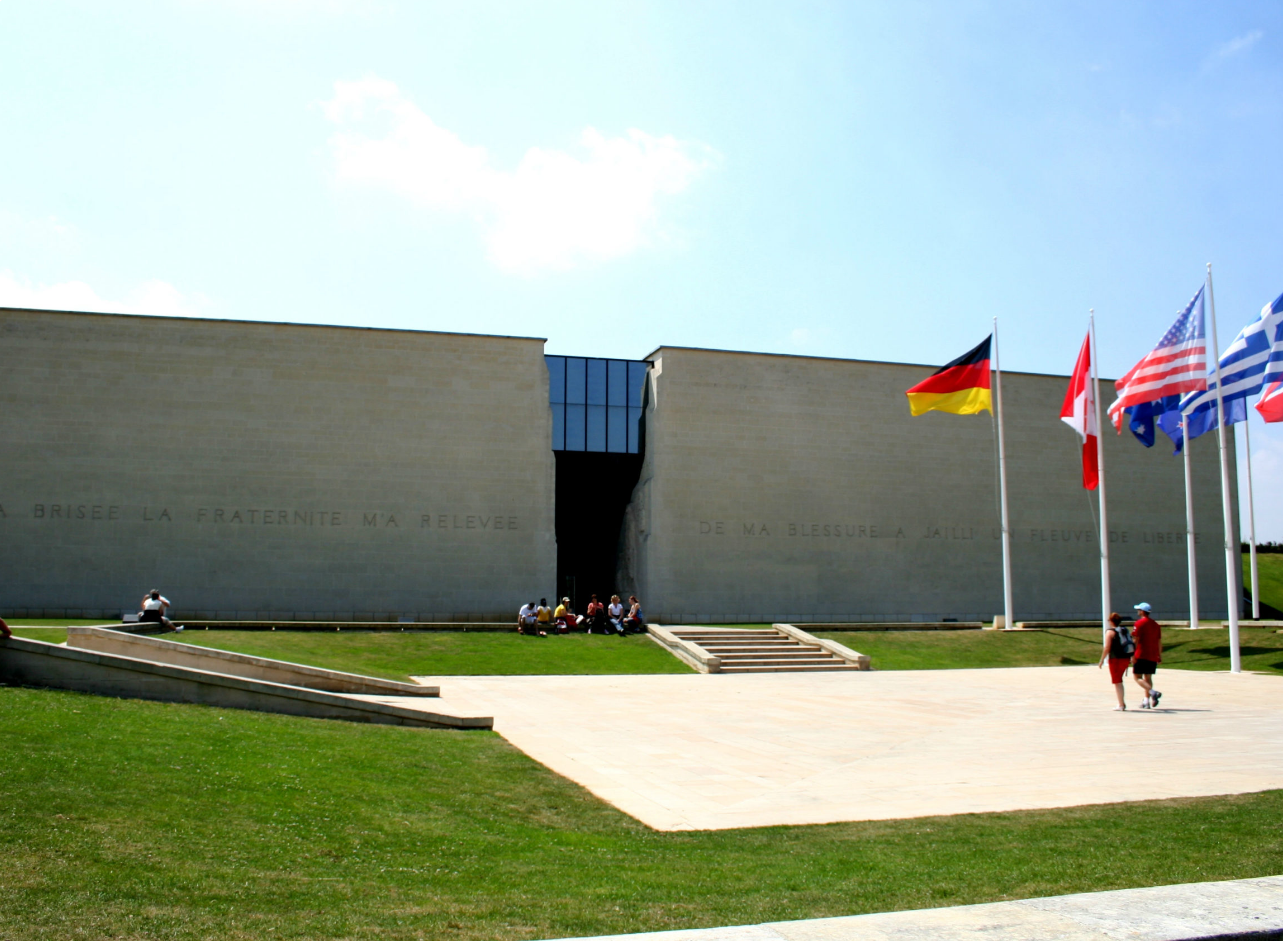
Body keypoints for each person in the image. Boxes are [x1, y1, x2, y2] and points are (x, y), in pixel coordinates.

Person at [1098, 611, 1135, 711]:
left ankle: (1121, 704)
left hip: (1115, 659)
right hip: (1125, 658)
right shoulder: (1124, 630)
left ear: (1111, 621)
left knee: (1117, 681)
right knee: (1119, 680)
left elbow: (1107, 648)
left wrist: (1101, 660)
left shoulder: (1110, 632)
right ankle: (1121, 703)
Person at [1131, 602, 1162, 709]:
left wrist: (1132, 654)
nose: (1138, 611)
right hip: (1152, 655)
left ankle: (1153, 692)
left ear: (1142, 612)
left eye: (1139, 610)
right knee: (1148, 678)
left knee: (1137, 677)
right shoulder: (1156, 625)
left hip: (1141, 654)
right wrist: (1159, 655)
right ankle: (1146, 701)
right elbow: (1159, 641)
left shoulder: (1139, 624)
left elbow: (1135, 640)